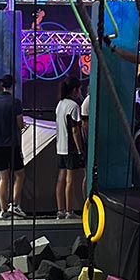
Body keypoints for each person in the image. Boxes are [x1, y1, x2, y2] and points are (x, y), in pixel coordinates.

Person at [0, 74, 26, 219]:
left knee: (3, 178)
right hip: (12, 145)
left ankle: (3, 210)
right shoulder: (15, 102)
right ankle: (15, 205)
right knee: (19, 175)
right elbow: (20, 124)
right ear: (13, 86)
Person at [55, 77, 85, 220]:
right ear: (75, 90)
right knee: (70, 180)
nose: (81, 92)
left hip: (60, 146)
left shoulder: (60, 104)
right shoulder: (73, 106)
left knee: (61, 179)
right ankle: (70, 211)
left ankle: (60, 210)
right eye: (79, 89)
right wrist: (80, 150)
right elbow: (75, 130)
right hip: (70, 147)